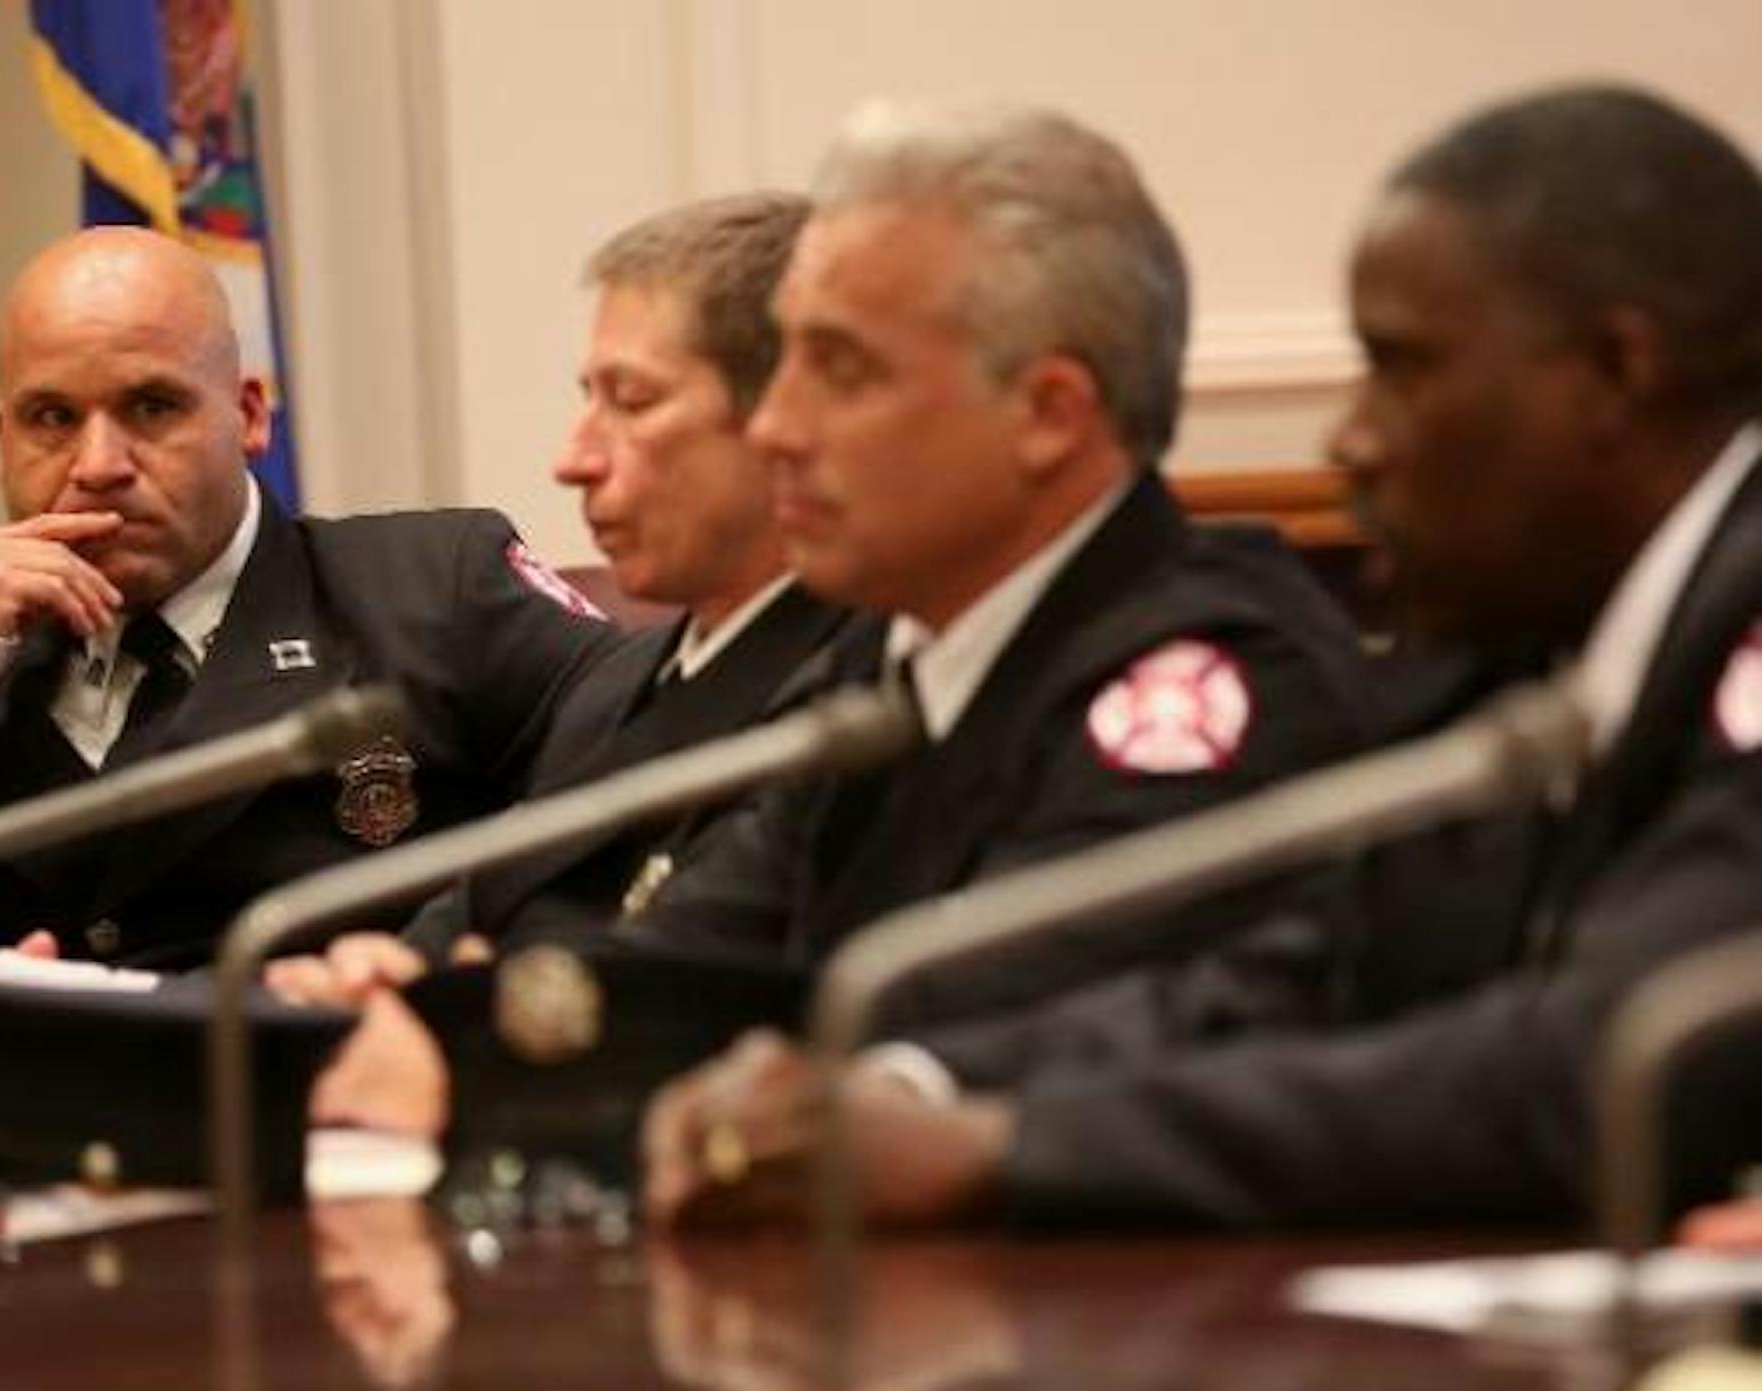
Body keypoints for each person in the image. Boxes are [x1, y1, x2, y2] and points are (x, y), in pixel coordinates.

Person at [643, 83, 1762, 1231]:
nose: (1351, 438)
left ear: (1617, 372)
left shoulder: (1252, 656)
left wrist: (1007, 1147)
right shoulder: (1515, 649)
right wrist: (915, 1091)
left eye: (1403, 368)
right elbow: (1306, 979)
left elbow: (1611, 1059)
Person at [311, 102, 1374, 1144]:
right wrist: (455, 1027)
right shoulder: (890, 658)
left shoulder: (1209, 674)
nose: (776, 427)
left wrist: (480, 1056)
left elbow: (974, 1019)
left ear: (1047, 413)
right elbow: (700, 956)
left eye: (843, 370)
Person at [0, 226, 616, 1057]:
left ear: (249, 414)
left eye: (152, 407)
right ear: (2, 440)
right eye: (53, 419)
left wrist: (430, 971)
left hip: (327, 1132)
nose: (98, 465)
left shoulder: (433, 591)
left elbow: (651, 799)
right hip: (19, 1170)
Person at [279, 192, 853, 1006]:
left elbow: (683, 984)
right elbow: (482, 897)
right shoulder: (616, 682)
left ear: (782, 418)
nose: (573, 459)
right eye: (589, 398)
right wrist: (386, 976)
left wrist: (449, 1017)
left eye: (633, 402)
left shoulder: (855, 687)